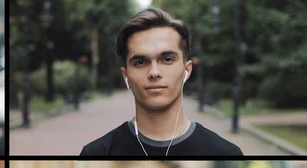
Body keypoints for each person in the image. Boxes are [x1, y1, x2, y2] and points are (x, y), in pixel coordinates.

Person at [80, 8, 242, 156]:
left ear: (187, 69)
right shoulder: (96, 152)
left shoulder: (226, 152)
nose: (154, 73)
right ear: (126, 75)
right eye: (140, 62)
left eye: (167, 59)